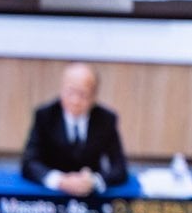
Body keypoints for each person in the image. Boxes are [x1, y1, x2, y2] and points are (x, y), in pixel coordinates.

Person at [19, 62, 130, 196]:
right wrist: (60, 180)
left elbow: (119, 168)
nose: (75, 101)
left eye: (83, 94)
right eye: (70, 92)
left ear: (94, 96)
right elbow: (29, 163)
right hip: (51, 195)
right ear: (62, 90)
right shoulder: (45, 115)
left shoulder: (106, 119)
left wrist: (94, 181)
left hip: (91, 195)